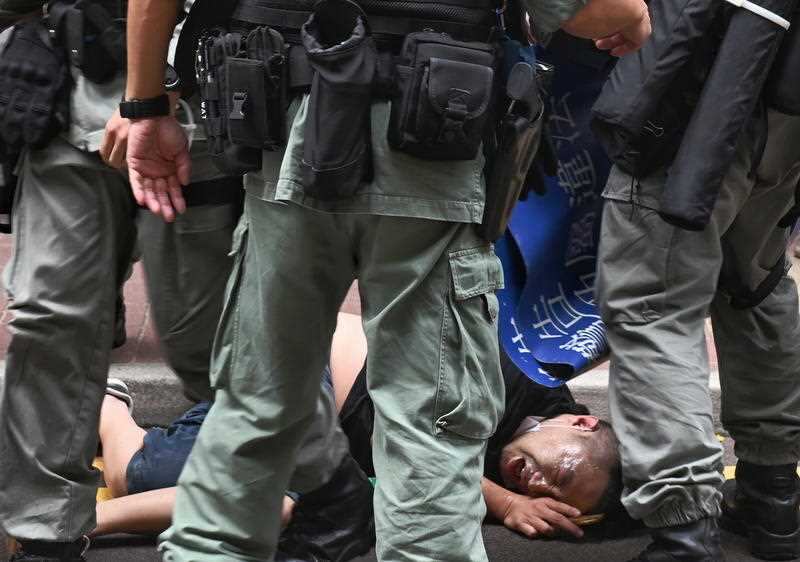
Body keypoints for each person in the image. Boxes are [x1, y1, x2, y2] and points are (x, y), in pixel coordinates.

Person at [123, 0, 651, 560]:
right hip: (431, 141)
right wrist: (636, 20)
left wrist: (146, 103)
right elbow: (602, 12)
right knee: (431, 418)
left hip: (286, 133)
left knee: (258, 401)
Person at [0, 3, 372, 562]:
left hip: (201, 95)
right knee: (49, 314)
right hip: (72, 82)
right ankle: (45, 533)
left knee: (211, 343)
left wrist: (153, 94)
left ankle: (327, 482)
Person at [89, 312, 621, 544]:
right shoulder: (516, 375)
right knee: (139, 475)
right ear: (580, 422)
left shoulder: (514, 460)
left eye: (553, 496)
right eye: (563, 473)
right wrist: (506, 506)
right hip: (307, 374)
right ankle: (106, 406)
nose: (538, 485)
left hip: (327, 445)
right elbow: (414, 445)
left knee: (272, 504)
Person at [594, 25, 800, 562]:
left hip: (706, 95)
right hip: (787, 106)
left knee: (652, 306)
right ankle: (771, 494)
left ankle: (684, 530)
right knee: (754, 284)